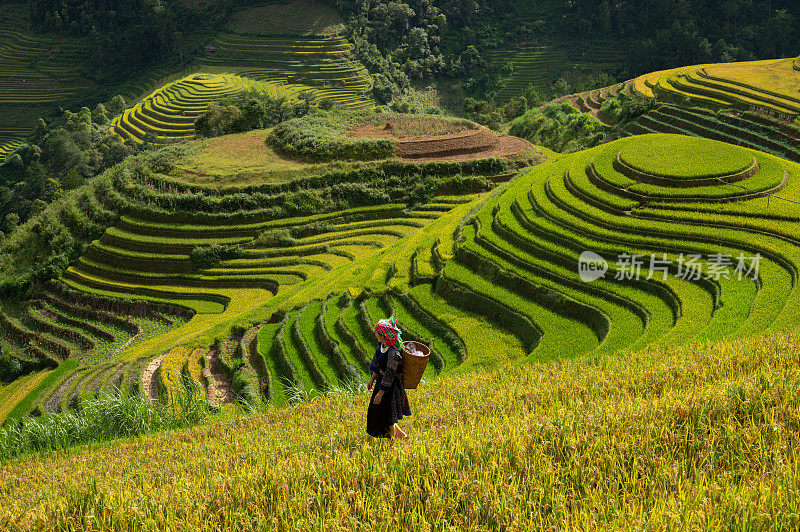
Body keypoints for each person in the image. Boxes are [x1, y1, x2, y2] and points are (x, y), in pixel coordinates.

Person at [367, 317, 411, 439]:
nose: (375, 334)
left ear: (383, 336)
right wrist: (372, 379)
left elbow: (390, 375)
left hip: (390, 386)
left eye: (377, 333)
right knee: (377, 410)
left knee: (387, 414)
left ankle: (393, 440)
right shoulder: (381, 346)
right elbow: (376, 363)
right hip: (381, 382)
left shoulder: (393, 353)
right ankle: (401, 435)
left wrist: (380, 393)